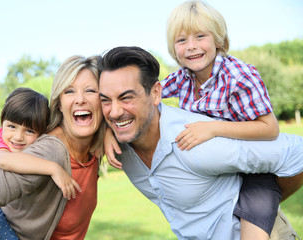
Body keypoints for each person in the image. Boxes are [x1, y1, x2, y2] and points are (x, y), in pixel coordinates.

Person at [103, 1, 282, 238]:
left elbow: (270, 129)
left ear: (218, 39)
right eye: (182, 40)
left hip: (254, 175)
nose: (191, 47)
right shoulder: (183, 78)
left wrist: (213, 129)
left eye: (200, 36)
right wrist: (109, 131)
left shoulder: (238, 76)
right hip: (220, 177)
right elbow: (140, 98)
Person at [0, 55, 106, 240]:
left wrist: (108, 134)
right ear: (59, 104)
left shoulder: (93, 144)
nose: (80, 99)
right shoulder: (48, 153)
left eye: (91, 91)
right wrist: (53, 168)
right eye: (69, 91)